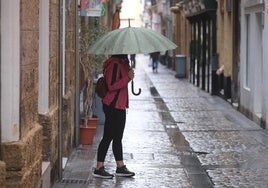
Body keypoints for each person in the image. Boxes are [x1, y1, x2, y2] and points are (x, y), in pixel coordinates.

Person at [93, 54, 135, 179]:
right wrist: (127, 78)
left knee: (118, 137)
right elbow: (111, 85)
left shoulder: (122, 63)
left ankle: (120, 167)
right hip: (112, 106)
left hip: (120, 106)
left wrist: (128, 74)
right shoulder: (114, 64)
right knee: (108, 137)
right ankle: (99, 167)